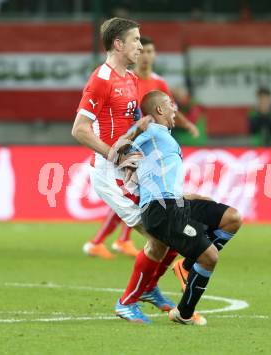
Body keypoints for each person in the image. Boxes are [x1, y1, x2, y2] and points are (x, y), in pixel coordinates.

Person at [72, 17, 176, 323]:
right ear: (118, 44)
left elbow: (130, 125)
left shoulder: (130, 79)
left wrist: (146, 128)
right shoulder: (100, 80)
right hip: (110, 173)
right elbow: (80, 129)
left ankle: (149, 288)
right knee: (161, 236)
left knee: (168, 235)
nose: (141, 47)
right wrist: (114, 155)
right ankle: (128, 301)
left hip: (134, 169)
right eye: (135, 40)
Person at [120, 90, 242, 325]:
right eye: (170, 104)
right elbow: (120, 149)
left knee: (232, 218)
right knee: (210, 257)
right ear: (159, 110)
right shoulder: (150, 130)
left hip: (176, 202)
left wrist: (188, 196)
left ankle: (187, 267)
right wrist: (136, 129)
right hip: (161, 210)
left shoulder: (163, 137)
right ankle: (184, 313)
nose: (175, 109)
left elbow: (160, 175)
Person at [82, 36, 200, 260]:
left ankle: (119, 240)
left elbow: (171, 110)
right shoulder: (126, 80)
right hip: (130, 147)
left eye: (149, 51)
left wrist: (186, 124)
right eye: (142, 49)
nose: (145, 54)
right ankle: (116, 241)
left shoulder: (158, 83)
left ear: (154, 55)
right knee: (135, 199)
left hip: (148, 147)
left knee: (139, 198)